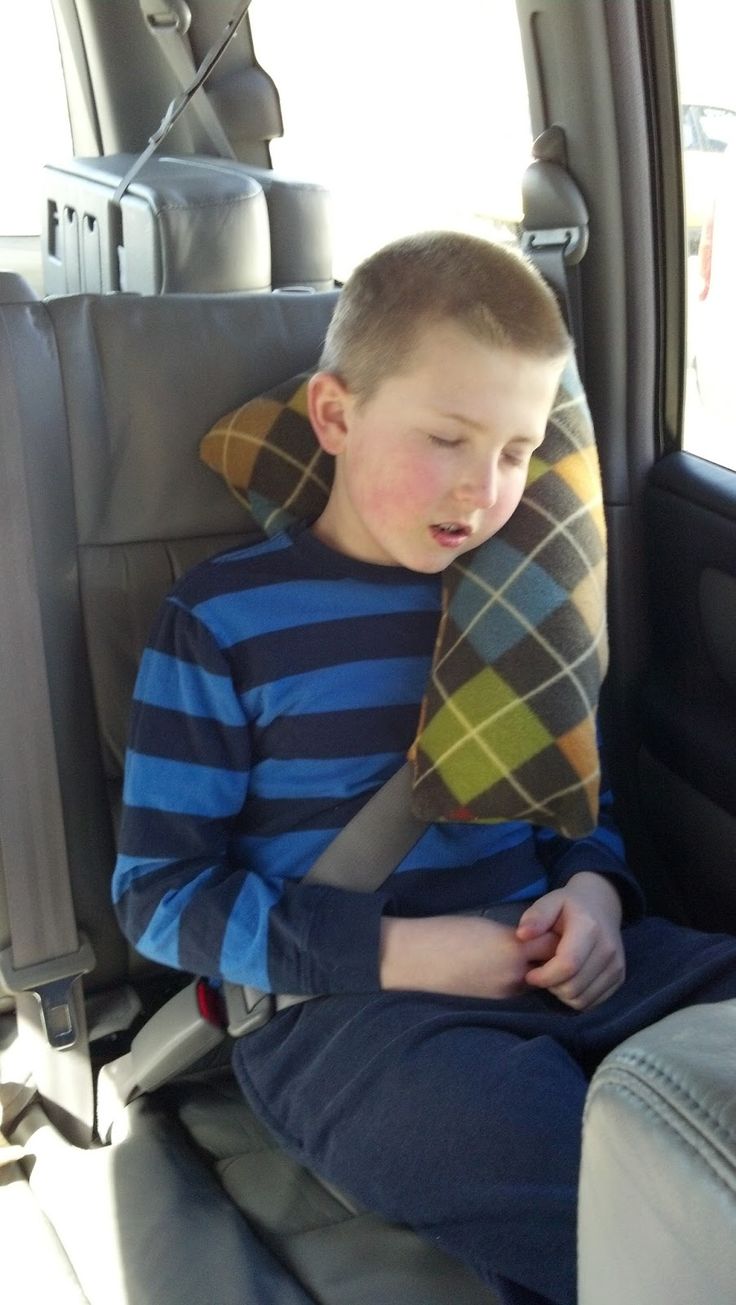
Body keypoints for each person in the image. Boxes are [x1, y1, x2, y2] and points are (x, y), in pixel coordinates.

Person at [113, 232, 736, 1305]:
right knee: (550, 1165)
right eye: (446, 439)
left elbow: (577, 800)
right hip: (345, 1010)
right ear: (336, 415)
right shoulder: (222, 620)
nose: (483, 489)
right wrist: (401, 952)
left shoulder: (516, 595)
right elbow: (160, 897)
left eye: (513, 452)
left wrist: (592, 890)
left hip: (560, 962)